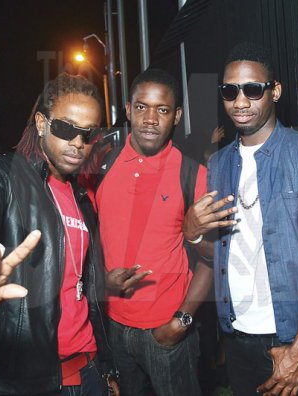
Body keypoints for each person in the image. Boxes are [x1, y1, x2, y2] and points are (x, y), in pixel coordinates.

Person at [0, 73, 120, 395]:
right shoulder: (1, 173)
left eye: (88, 134)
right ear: (41, 123)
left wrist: (104, 368)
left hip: (86, 371)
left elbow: (80, 287)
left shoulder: (81, 198)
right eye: (66, 128)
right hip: (17, 382)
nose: (78, 142)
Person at [183, 42, 298, 395]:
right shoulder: (219, 164)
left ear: (275, 91)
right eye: (229, 91)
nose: (240, 102)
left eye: (252, 90)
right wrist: (192, 235)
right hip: (237, 336)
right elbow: (216, 254)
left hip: (293, 338)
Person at [95, 68, 212, 396]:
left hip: (167, 330)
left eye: (162, 110)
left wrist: (181, 321)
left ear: (176, 116)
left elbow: (215, 258)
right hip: (114, 328)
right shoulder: (101, 166)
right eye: (142, 107)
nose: (150, 119)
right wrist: (101, 281)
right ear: (128, 110)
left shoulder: (193, 175)